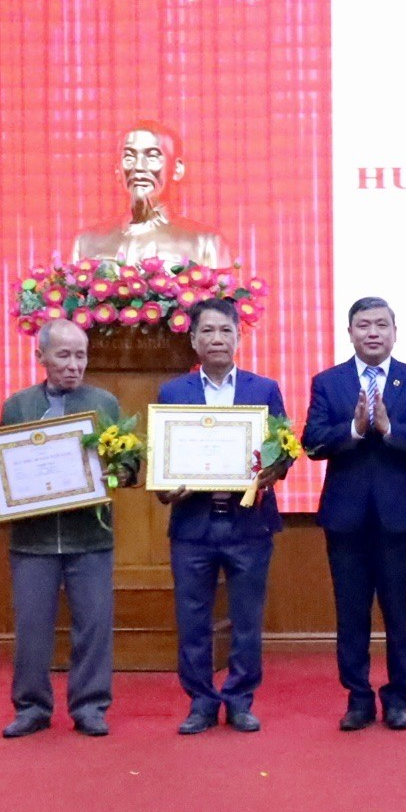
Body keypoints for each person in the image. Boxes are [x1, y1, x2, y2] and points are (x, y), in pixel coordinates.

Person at [0, 318, 120, 739]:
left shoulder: (105, 403)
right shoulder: (18, 405)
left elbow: (127, 466)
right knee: (32, 628)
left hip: (90, 537)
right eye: (64, 355)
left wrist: (118, 470)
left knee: (94, 626)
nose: (74, 365)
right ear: (41, 357)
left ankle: (90, 706)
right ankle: (31, 707)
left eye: (81, 356)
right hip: (32, 541)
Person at [301, 296, 406, 731]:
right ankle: (358, 698)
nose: (373, 332)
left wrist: (389, 429)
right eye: (364, 325)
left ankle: (399, 698)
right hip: (345, 520)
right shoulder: (328, 382)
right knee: (351, 613)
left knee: (401, 613)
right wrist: (355, 430)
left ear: (395, 332)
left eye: (382, 324)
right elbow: (312, 442)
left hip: (399, 519)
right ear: (350, 333)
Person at [156, 297, 288, 735]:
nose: (217, 339)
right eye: (208, 331)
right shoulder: (173, 393)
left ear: (239, 338)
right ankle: (200, 703)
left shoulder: (263, 390)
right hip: (192, 525)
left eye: (226, 330)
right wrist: (165, 489)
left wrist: (274, 470)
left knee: (247, 620)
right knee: (193, 620)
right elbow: (162, 459)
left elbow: (284, 452)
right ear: (193, 340)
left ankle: (239, 700)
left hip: (248, 523)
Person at [71, 121, 232, 267]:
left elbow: (224, 290)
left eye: (152, 157)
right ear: (118, 171)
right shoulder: (86, 242)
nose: (139, 167)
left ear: (177, 169)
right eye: (129, 158)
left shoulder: (206, 243)